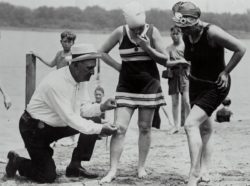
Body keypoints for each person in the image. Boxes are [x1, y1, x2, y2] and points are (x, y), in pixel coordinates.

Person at [5, 44, 118, 183]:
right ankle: (17, 161)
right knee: (47, 176)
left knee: (94, 119)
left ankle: (75, 166)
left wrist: (101, 107)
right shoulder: (56, 83)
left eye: (93, 67)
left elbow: (83, 109)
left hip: (55, 126)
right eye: (89, 68)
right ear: (75, 65)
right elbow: (70, 118)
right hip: (33, 129)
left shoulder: (81, 78)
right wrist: (101, 129)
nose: (93, 72)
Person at [172, 2, 246, 186]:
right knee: (204, 128)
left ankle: (194, 173)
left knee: (190, 124)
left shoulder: (212, 32)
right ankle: (205, 170)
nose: (183, 32)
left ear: (194, 22)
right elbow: (193, 56)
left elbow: (240, 48)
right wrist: (182, 63)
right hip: (196, 83)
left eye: (186, 28)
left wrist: (226, 71)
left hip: (216, 86)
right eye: (181, 28)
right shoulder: (187, 34)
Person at [98, 1, 168, 183]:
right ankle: (112, 170)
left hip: (149, 86)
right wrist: (119, 67)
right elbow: (102, 52)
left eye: (139, 28)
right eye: (134, 28)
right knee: (119, 129)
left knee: (144, 128)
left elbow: (165, 60)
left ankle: (141, 167)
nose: (137, 32)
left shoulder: (153, 31)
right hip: (126, 87)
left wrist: (147, 48)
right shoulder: (120, 32)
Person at [32, 30, 77, 146]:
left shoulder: (73, 55)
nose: (66, 44)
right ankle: (53, 138)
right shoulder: (59, 53)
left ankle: (72, 138)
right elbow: (51, 64)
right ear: (60, 41)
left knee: (68, 110)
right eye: (64, 41)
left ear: (73, 43)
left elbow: (74, 73)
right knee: (53, 110)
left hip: (67, 85)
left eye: (68, 42)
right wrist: (38, 56)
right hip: (57, 84)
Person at [166, 26, 190, 134]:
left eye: (177, 34)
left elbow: (190, 61)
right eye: (173, 34)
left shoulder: (186, 47)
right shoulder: (168, 48)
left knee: (187, 101)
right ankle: (176, 126)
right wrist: (180, 61)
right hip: (173, 75)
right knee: (174, 102)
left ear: (181, 34)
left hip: (185, 74)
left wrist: (186, 65)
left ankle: (189, 124)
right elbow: (166, 62)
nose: (174, 36)